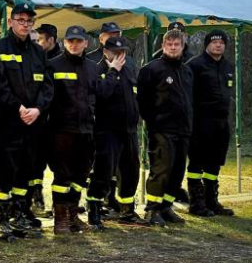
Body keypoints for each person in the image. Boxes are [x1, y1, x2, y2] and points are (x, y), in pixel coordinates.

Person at [0, 1, 53, 240]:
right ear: (11, 21)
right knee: (6, 170)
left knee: (26, 169)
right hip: (8, 123)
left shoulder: (37, 52)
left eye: (29, 21)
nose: (25, 24)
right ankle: (1, 218)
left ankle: (19, 214)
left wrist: (37, 108)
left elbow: (47, 86)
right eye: (20, 20)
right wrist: (19, 107)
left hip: (33, 123)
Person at [137, 29, 193, 227]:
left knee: (177, 171)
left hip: (183, 130)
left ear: (182, 46)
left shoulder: (186, 71)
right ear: (163, 46)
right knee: (161, 170)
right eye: (169, 44)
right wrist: (154, 122)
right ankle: (152, 209)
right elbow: (142, 101)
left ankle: (166, 206)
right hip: (162, 130)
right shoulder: (152, 69)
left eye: (176, 44)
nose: (173, 47)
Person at [47, 26, 99, 234]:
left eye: (79, 41)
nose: (74, 44)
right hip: (61, 130)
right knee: (62, 176)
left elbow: (97, 95)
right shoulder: (53, 65)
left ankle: (72, 216)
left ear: (86, 43)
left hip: (86, 130)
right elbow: (47, 97)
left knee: (81, 174)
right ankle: (60, 220)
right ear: (64, 43)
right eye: (71, 41)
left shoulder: (93, 67)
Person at [90, 37, 146, 225]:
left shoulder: (130, 70)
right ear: (106, 52)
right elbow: (101, 95)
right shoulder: (98, 69)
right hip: (107, 131)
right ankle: (95, 210)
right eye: (115, 52)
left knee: (131, 171)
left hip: (128, 130)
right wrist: (113, 71)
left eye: (122, 52)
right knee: (104, 172)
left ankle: (127, 210)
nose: (120, 55)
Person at [186, 30, 235, 217]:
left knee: (215, 164)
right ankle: (196, 203)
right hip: (200, 123)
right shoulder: (195, 65)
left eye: (222, 42)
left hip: (221, 124)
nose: (218, 45)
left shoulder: (228, 66)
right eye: (214, 42)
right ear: (207, 44)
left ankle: (211, 201)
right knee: (197, 163)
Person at [29, 23, 62, 216]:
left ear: (51, 40)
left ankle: (61, 205)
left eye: (41, 39)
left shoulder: (62, 59)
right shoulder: (35, 58)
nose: (38, 43)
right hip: (38, 121)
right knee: (36, 163)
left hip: (58, 122)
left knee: (60, 165)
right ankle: (36, 199)